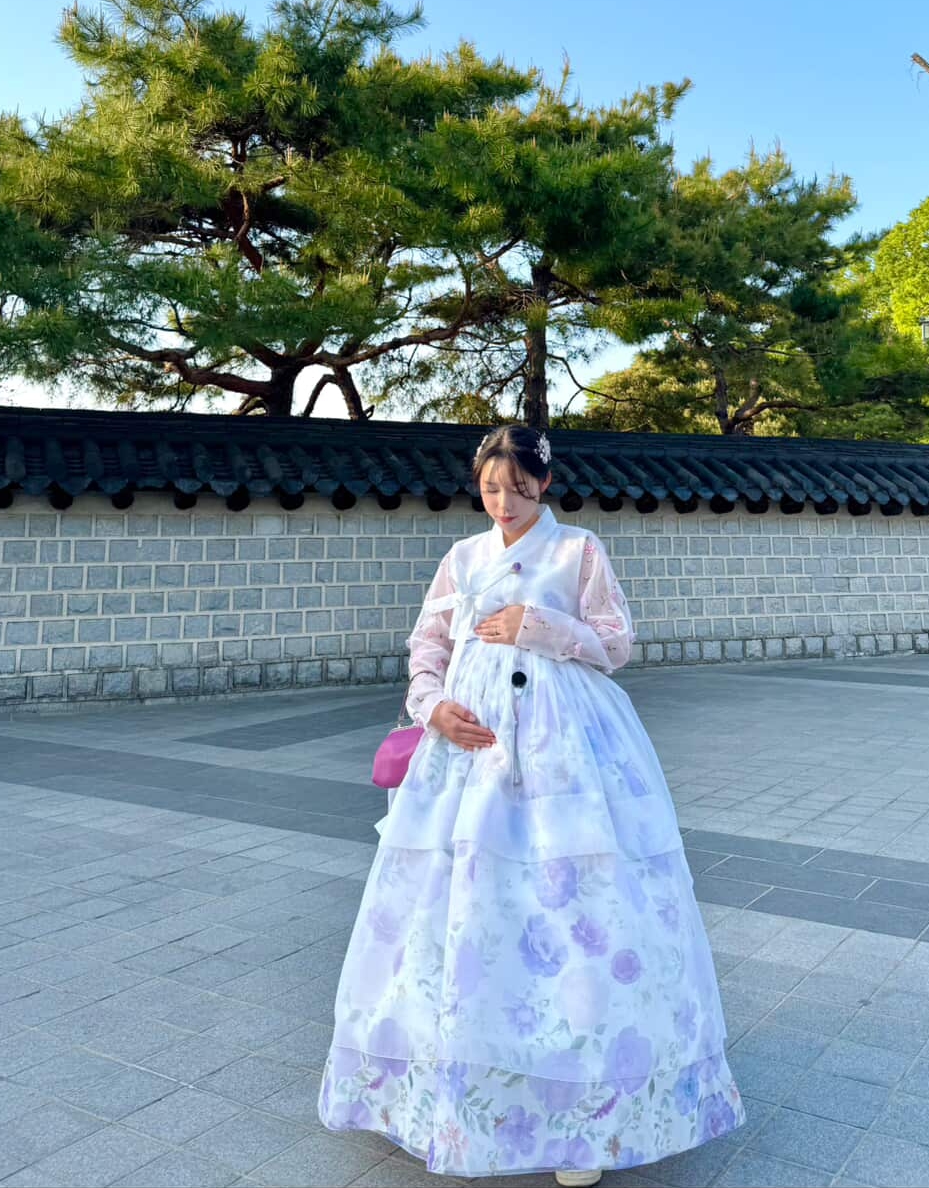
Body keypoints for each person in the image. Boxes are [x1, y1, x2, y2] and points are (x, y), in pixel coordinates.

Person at [318, 425, 746, 1183]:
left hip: (564, 744)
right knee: (462, 898)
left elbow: (615, 642)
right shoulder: (462, 557)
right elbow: (427, 647)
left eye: (518, 487)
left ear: (543, 484)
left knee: (567, 897)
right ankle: (445, 1087)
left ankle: (582, 1109)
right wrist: (431, 706)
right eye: (491, 487)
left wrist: (537, 625)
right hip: (472, 744)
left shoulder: (576, 549)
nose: (504, 501)